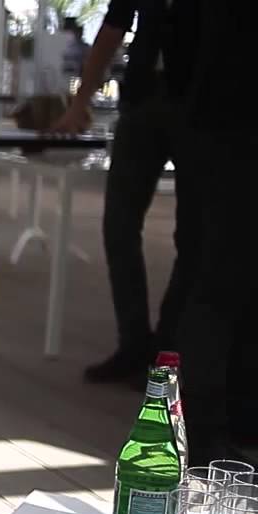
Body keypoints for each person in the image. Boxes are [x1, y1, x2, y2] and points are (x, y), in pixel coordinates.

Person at [53, 0, 200, 385]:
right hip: (141, 101)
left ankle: (167, 352)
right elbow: (113, 27)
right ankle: (134, 344)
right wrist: (80, 102)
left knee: (193, 235)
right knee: (119, 224)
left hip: (200, 109)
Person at [178, 0, 257, 463]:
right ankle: (205, 431)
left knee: (229, 281)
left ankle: (231, 417)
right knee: (219, 282)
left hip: (220, 123)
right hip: (231, 128)